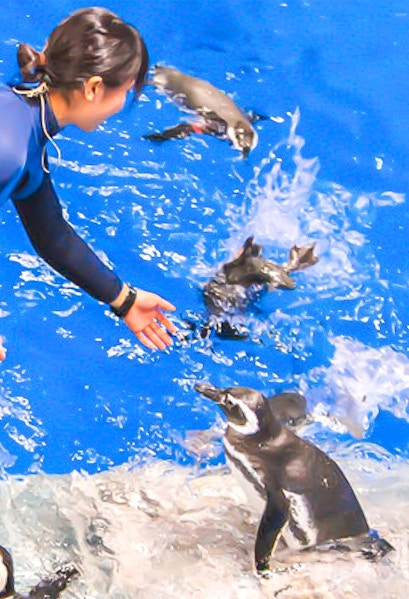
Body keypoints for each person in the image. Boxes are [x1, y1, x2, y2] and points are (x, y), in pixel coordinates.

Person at [0, 7, 177, 354]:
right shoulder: (10, 147)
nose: (123, 102)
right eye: (125, 90)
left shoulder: (26, 129)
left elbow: (54, 238)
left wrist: (124, 299)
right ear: (94, 88)